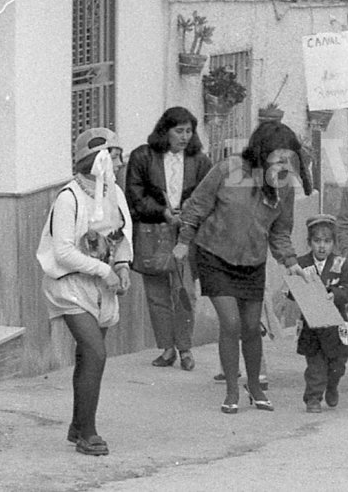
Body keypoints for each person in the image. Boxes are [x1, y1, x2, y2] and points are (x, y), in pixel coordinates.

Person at [174, 121, 311, 414]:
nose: (284, 164)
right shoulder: (229, 169)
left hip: (252, 261)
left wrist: (290, 262)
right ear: (261, 153)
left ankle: (256, 387)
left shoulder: (283, 185)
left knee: (251, 327)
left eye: (289, 158)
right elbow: (197, 206)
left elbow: (280, 230)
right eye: (278, 157)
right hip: (214, 255)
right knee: (232, 323)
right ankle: (232, 390)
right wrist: (184, 242)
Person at [36, 128, 132, 456]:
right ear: (98, 160)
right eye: (115, 157)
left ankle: (77, 425)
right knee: (95, 353)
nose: (120, 163)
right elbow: (63, 253)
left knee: (87, 357)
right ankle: (88, 434)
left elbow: (120, 236)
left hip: (100, 288)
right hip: (70, 284)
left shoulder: (113, 194)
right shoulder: (69, 198)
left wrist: (121, 266)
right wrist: (104, 270)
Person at [124, 106, 213, 372]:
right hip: (153, 232)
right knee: (157, 294)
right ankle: (166, 348)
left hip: (186, 233)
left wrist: (188, 209)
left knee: (184, 293)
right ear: (166, 130)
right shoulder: (143, 156)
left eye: (189, 131)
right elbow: (134, 195)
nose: (185, 136)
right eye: (179, 130)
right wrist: (162, 211)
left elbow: (208, 193)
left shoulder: (200, 160)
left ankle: (185, 348)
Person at [289, 215, 348, 413]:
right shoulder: (301, 264)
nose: (322, 247)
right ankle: (313, 398)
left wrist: (334, 293)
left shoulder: (341, 264)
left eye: (327, 241)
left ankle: (332, 386)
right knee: (315, 365)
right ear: (309, 242)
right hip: (312, 324)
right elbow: (293, 291)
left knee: (338, 365)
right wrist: (296, 288)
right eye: (317, 241)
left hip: (336, 323)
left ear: (333, 243)